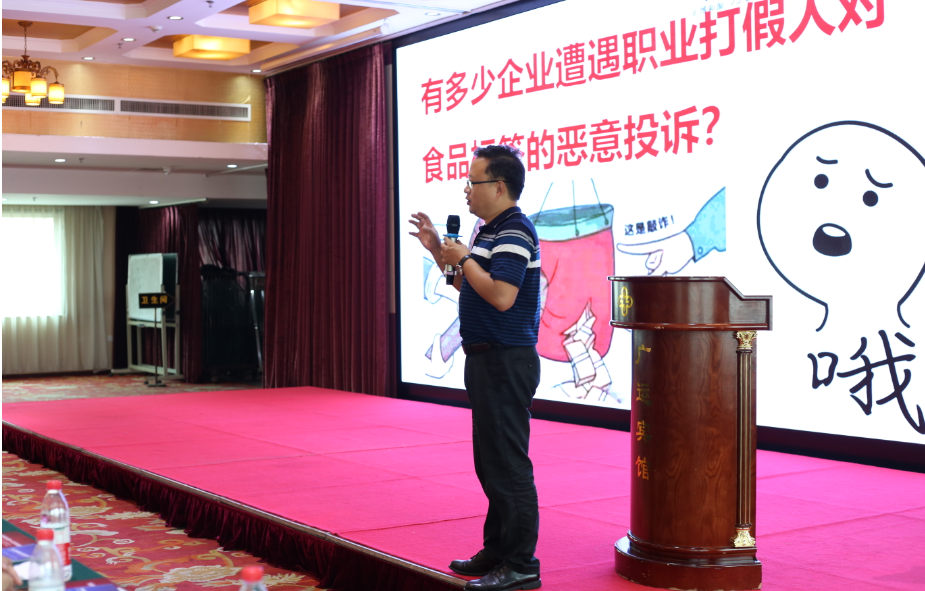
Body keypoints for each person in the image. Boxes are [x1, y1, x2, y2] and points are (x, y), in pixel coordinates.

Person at [409, 145, 542, 591]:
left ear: (499, 187)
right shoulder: (488, 231)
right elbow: (469, 286)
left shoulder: (515, 231)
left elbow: (502, 295)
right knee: (490, 463)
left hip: (506, 359)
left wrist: (464, 256)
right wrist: (438, 250)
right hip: (485, 358)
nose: (466, 190)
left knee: (507, 463)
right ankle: (498, 551)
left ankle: (521, 565)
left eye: (473, 182)